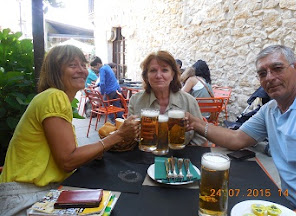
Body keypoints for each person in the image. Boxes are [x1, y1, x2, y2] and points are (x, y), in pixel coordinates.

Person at [0, 45, 140, 215]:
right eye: (72, 65)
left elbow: (66, 154)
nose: (81, 70)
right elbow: (67, 161)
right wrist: (117, 136)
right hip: (26, 196)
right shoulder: (54, 96)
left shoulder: (53, 98)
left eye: (83, 64)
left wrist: (95, 149)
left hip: (39, 191)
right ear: (55, 71)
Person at [186, 45, 296, 216]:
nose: (269, 78)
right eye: (262, 74)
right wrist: (197, 124)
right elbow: (237, 139)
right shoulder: (270, 110)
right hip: (288, 205)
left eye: (277, 69)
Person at [128, 50, 207, 146]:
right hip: (145, 157)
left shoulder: (189, 101)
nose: (158, 75)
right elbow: (130, 137)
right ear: (146, 76)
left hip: (179, 158)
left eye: (164, 70)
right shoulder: (136, 101)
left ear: (173, 74)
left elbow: (201, 139)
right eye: (153, 70)